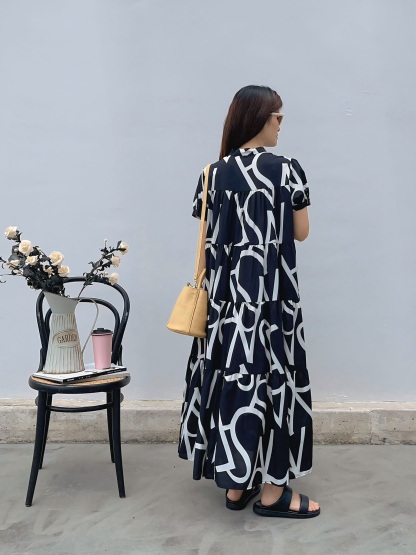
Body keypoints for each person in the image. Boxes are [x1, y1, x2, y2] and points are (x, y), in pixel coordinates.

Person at [178, 85, 320, 519]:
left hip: (226, 308)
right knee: (276, 385)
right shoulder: (287, 170)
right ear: (259, 117)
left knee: (234, 383)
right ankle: (274, 494)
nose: (280, 124)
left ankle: (236, 487)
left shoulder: (211, 174)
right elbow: (301, 233)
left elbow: (206, 243)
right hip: (273, 302)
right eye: (278, 116)